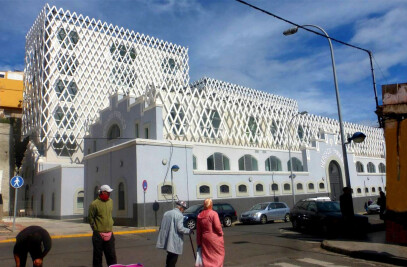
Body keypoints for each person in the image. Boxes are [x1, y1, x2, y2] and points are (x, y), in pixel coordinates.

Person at [156, 200, 192, 267]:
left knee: (169, 256)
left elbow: (162, 226)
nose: (183, 210)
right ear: (180, 207)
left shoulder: (166, 213)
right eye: (183, 209)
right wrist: (188, 231)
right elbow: (180, 228)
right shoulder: (179, 215)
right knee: (173, 259)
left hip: (167, 239)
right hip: (174, 241)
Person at [88, 184, 117, 267]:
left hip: (109, 233)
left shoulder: (110, 201)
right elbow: (90, 218)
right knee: (97, 257)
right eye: (108, 192)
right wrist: (95, 229)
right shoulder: (94, 204)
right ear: (103, 192)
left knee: (111, 256)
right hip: (98, 235)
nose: (109, 194)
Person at [196, 198, 225, 267]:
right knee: (218, 255)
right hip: (214, 238)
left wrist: (199, 242)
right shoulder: (213, 214)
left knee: (207, 256)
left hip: (205, 238)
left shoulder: (200, 215)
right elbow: (217, 227)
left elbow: (198, 231)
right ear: (211, 205)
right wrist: (221, 233)